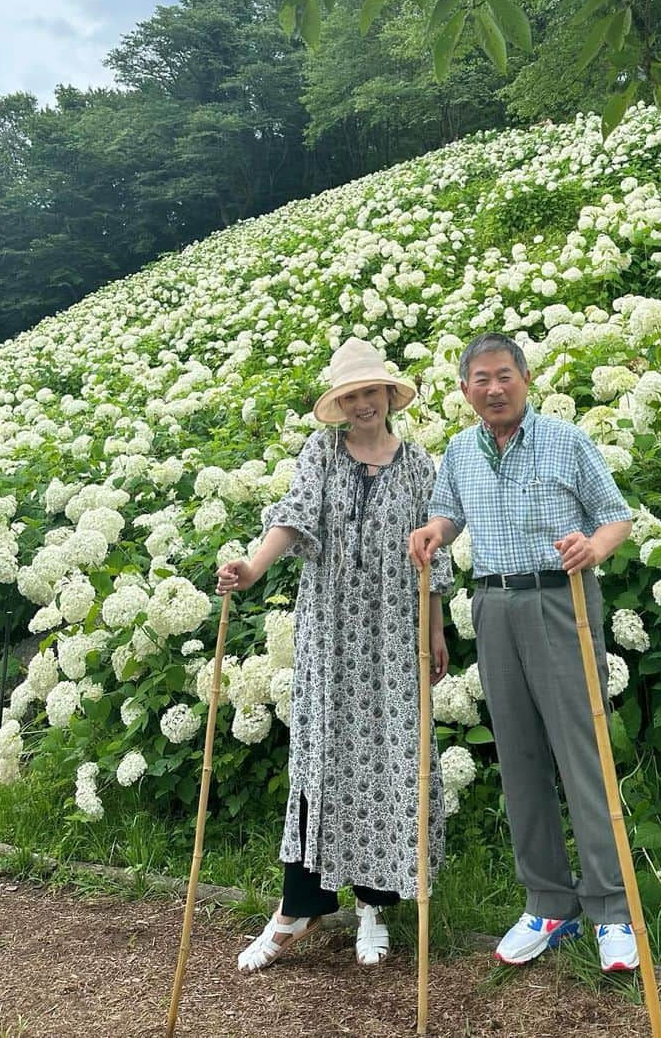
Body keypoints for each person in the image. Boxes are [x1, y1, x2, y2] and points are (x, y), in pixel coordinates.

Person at [409, 332, 640, 974]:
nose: (493, 388)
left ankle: (613, 910)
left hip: (560, 598)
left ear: (526, 378)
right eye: (480, 379)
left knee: (582, 752)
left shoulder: (566, 439)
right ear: (464, 391)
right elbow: (448, 514)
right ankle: (548, 903)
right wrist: (435, 531)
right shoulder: (458, 451)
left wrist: (596, 548)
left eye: (504, 375)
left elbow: (616, 516)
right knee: (518, 756)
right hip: (492, 604)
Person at [218, 336, 451, 971]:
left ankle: (374, 908)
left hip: (392, 632)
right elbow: (292, 519)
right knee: (322, 758)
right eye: (350, 396)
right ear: (340, 405)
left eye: (369, 392)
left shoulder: (420, 465)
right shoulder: (322, 451)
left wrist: (434, 630)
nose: (361, 405)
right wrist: (253, 567)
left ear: (388, 397)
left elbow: (435, 556)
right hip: (331, 632)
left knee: (389, 762)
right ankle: (299, 906)